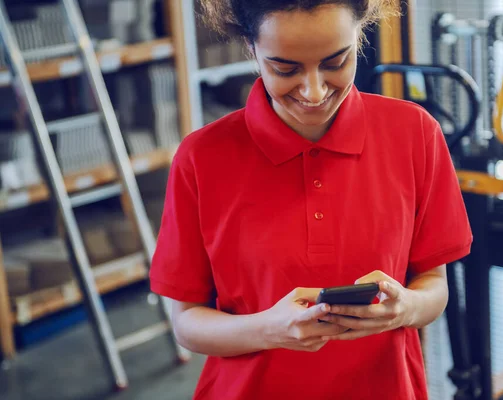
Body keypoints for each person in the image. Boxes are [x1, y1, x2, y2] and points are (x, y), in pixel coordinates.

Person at [150, 1, 472, 398]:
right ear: (251, 49)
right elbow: (186, 324)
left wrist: (405, 307)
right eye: (285, 69)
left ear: (359, 37)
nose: (314, 91)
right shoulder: (202, 158)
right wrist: (268, 329)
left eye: (336, 62)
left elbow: (434, 287)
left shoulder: (414, 135)